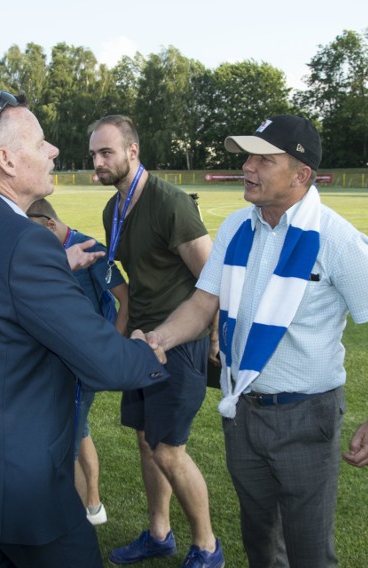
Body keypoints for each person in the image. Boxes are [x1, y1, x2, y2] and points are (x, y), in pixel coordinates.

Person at [0, 90, 168, 568]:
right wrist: (149, 351)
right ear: (6, 159)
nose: (53, 151)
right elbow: (102, 361)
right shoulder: (23, 243)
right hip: (21, 488)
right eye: (42, 141)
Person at [144, 115, 368, 567]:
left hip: (307, 418)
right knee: (260, 543)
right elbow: (203, 302)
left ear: (301, 174)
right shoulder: (234, 228)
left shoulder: (338, 240)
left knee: (309, 552)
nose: (247, 167)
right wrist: (159, 338)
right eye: (248, 157)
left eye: (264, 160)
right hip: (242, 411)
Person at [87, 115, 222, 566]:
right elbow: (126, 282)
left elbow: (212, 278)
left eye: (106, 152)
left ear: (132, 151)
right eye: (93, 154)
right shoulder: (113, 210)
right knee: (147, 443)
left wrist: (218, 337)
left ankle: (207, 546)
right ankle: (159, 533)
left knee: (169, 449)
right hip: (140, 345)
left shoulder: (170, 202)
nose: (97, 162)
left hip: (180, 344)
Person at [26, 197, 130, 526]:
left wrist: (110, 348)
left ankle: (69, 518)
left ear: (52, 224)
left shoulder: (89, 247)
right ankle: (93, 506)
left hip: (81, 362)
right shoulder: (44, 248)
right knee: (79, 430)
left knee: (64, 440)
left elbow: (126, 298)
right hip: (56, 359)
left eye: (36, 234)